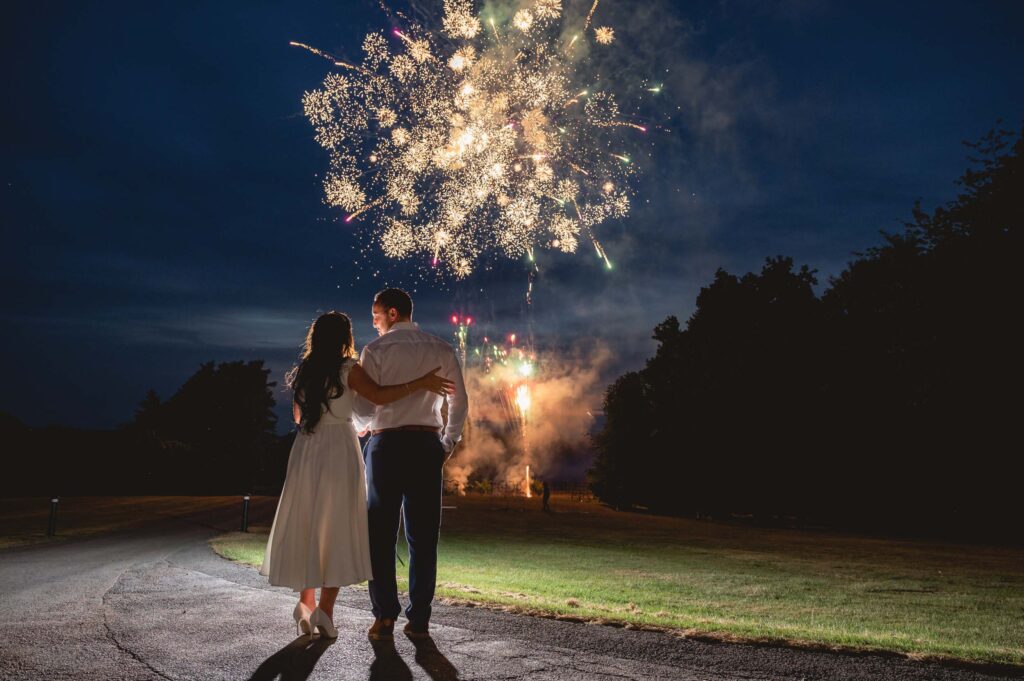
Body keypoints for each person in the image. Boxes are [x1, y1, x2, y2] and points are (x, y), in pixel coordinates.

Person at [260, 311, 454, 639]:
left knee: (307, 520)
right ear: (345, 338)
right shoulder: (349, 369)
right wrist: (419, 383)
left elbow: (297, 416)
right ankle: (326, 613)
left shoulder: (305, 371)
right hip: (338, 450)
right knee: (334, 526)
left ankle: (305, 606)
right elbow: (379, 396)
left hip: (307, 449)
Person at [354, 288, 469, 641]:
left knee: (380, 534)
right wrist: (447, 443)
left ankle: (384, 615)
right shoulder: (441, 349)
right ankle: (419, 618)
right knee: (422, 538)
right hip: (425, 444)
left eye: (375, 316)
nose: (373, 324)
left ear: (391, 313)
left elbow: (362, 410)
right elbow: (460, 402)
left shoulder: (374, 351)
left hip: (387, 444)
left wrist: (362, 427)